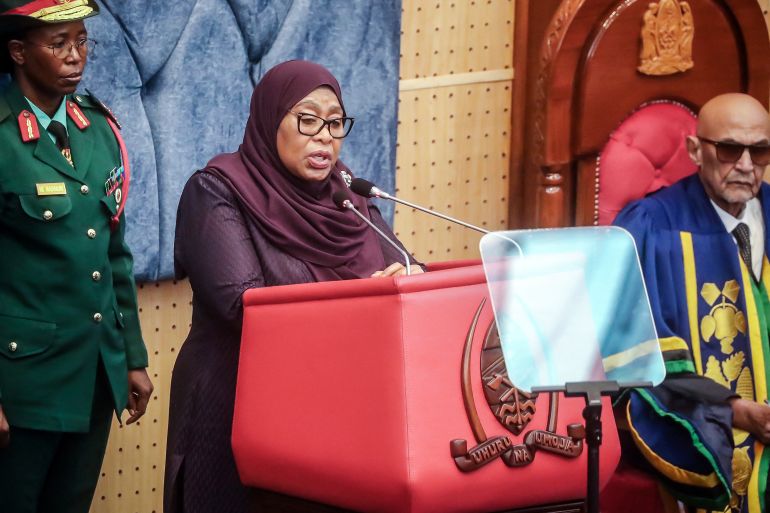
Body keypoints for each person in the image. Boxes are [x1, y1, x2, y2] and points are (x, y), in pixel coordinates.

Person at [165, 60, 422, 513]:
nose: (325, 135)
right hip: (235, 409)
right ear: (270, 119)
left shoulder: (349, 196)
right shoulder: (217, 191)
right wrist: (366, 301)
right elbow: (246, 308)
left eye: (335, 121)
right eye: (307, 119)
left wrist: (410, 280)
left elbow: (407, 266)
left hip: (332, 416)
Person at [0, 1, 153, 512]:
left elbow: (114, 254)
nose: (75, 57)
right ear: (19, 51)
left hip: (92, 376)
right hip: (23, 383)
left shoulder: (99, 130)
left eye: (82, 41)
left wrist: (131, 357)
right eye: (58, 43)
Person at [614, 93, 770, 513]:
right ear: (695, 151)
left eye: (760, 151)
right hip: (713, 428)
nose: (745, 164)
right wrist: (735, 411)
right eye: (730, 148)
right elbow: (640, 357)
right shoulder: (651, 228)